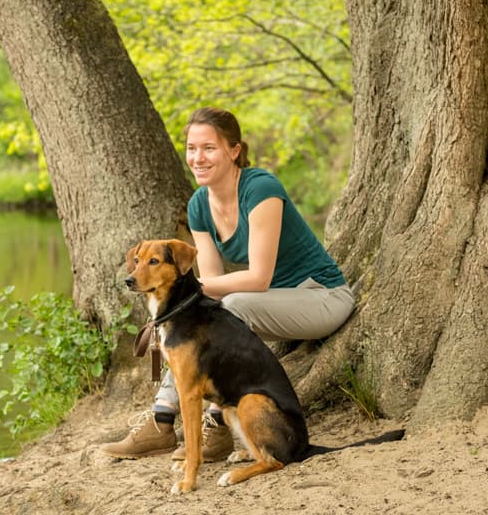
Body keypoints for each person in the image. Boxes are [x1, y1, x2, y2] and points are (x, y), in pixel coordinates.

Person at [100, 106, 355, 462]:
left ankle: (216, 427)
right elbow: (210, 278)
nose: (197, 157)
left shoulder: (260, 188)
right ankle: (161, 420)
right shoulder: (199, 205)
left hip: (320, 297)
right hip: (276, 303)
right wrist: (183, 311)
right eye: (191, 148)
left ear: (234, 150)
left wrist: (184, 300)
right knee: (202, 319)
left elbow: (257, 278)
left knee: (230, 307)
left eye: (209, 148)